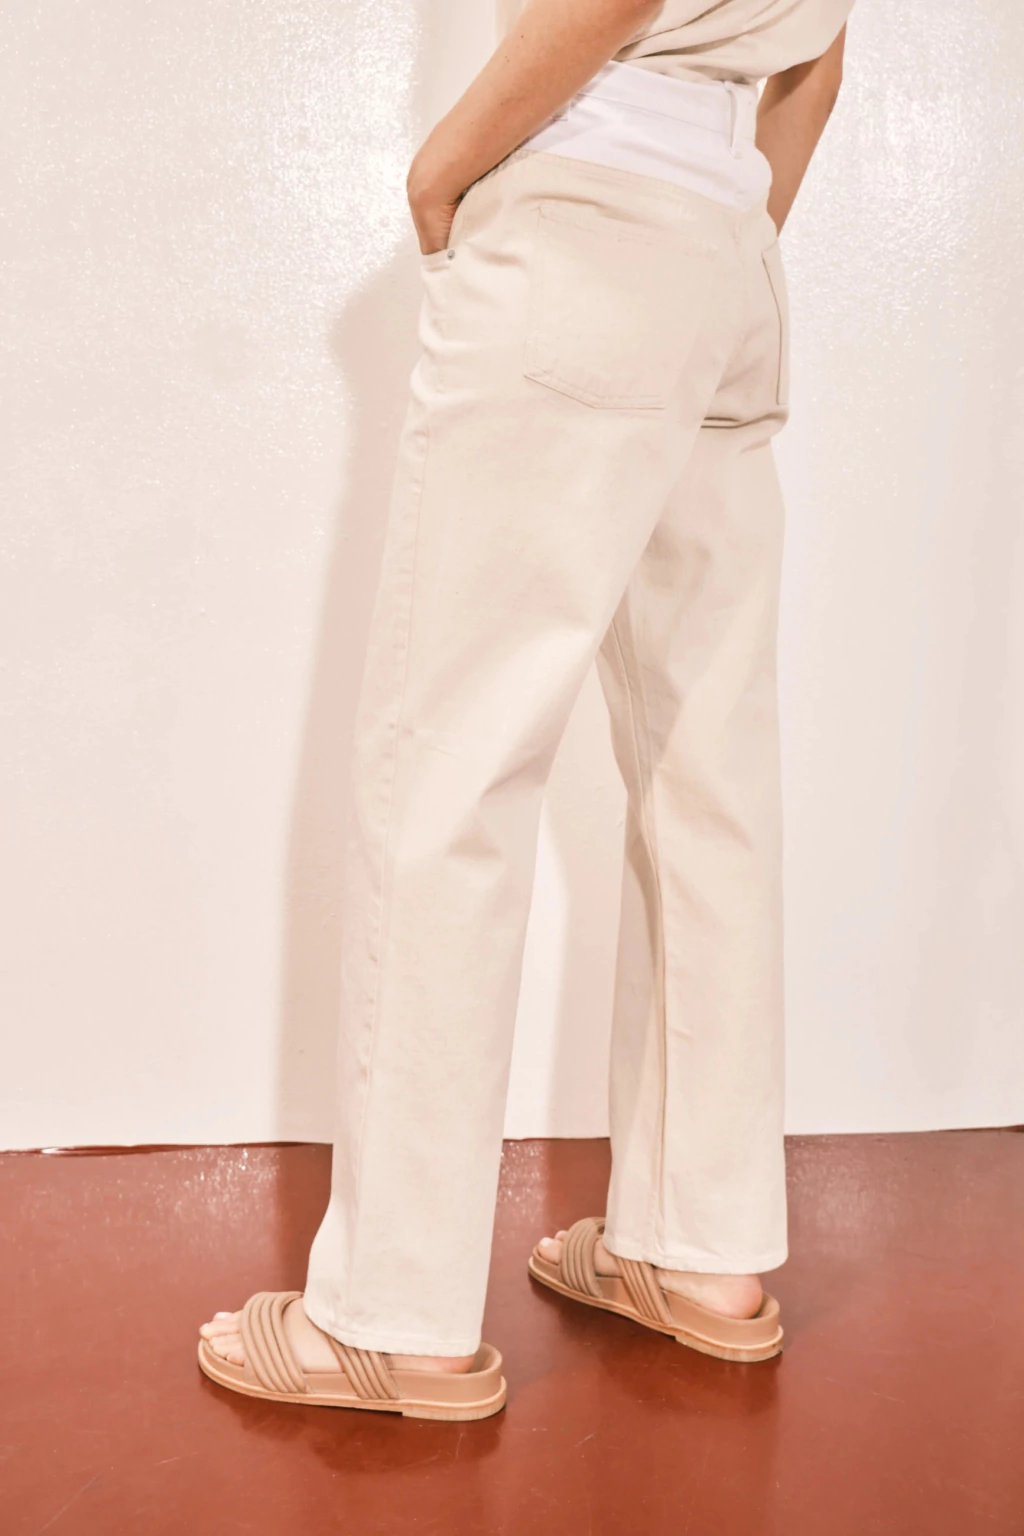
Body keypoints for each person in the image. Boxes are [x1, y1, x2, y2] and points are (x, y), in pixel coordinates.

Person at [198, 0, 853, 1419]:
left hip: (586, 219)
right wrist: (725, 242)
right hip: (727, 252)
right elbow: (822, 53)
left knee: (451, 766)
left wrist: (445, 165)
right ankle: (703, 1249)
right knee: (708, 772)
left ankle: (394, 1313)